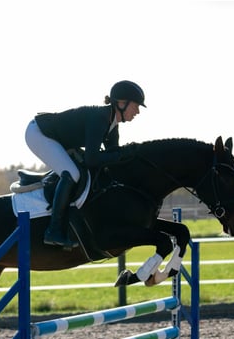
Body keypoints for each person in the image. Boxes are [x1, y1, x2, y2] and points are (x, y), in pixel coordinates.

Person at [25, 80, 146, 249]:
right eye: (136, 106)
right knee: (72, 173)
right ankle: (54, 230)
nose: (138, 111)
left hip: (56, 138)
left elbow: (114, 158)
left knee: (77, 171)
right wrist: (120, 154)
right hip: (39, 133)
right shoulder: (99, 119)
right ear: (121, 103)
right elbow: (92, 159)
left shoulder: (112, 125)